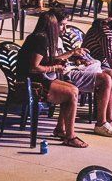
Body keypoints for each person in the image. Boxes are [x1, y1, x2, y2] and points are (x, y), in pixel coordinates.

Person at [18, 11, 106, 145]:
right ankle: (70, 137)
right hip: (30, 84)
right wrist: (54, 68)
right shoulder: (41, 39)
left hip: (37, 79)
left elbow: (46, 60)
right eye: (61, 26)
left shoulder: (40, 37)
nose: (65, 29)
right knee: (72, 92)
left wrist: (66, 60)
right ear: (52, 26)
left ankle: (60, 129)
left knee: (73, 88)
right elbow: (34, 67)